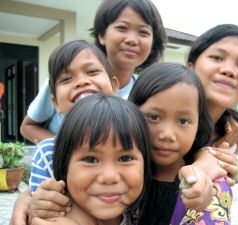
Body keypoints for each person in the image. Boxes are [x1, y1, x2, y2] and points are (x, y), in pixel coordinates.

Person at [20, 0, 167, 144]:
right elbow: (28, 127)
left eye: (143, 32)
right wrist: (62, 150)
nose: (132, 40)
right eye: (122, 28)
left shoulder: (146, 91)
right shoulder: (66, 80)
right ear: (102, 35)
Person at [170, 23, 238, 224]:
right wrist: (202, 165)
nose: (229, 70)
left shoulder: (230, 139)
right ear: (191, 66)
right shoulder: (151, 116)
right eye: (216, 57)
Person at [128, 62, 232, 225]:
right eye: (153, 117)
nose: (168, 135)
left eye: (183, 121)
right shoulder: (118, 174)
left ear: (198, 126)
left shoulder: (210, 183)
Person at [32, 93, 153, 225]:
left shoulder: (149, 214)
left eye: (125, 158)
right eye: (90, 160)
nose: (109, 177)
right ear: (64, 166)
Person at [29, 39, 119, 193]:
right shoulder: (48, 153)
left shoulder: (134, 140)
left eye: (92, 71)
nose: (82, 81)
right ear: (55, 102)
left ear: (114, 86)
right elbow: (38, 207)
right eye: (66, 79)